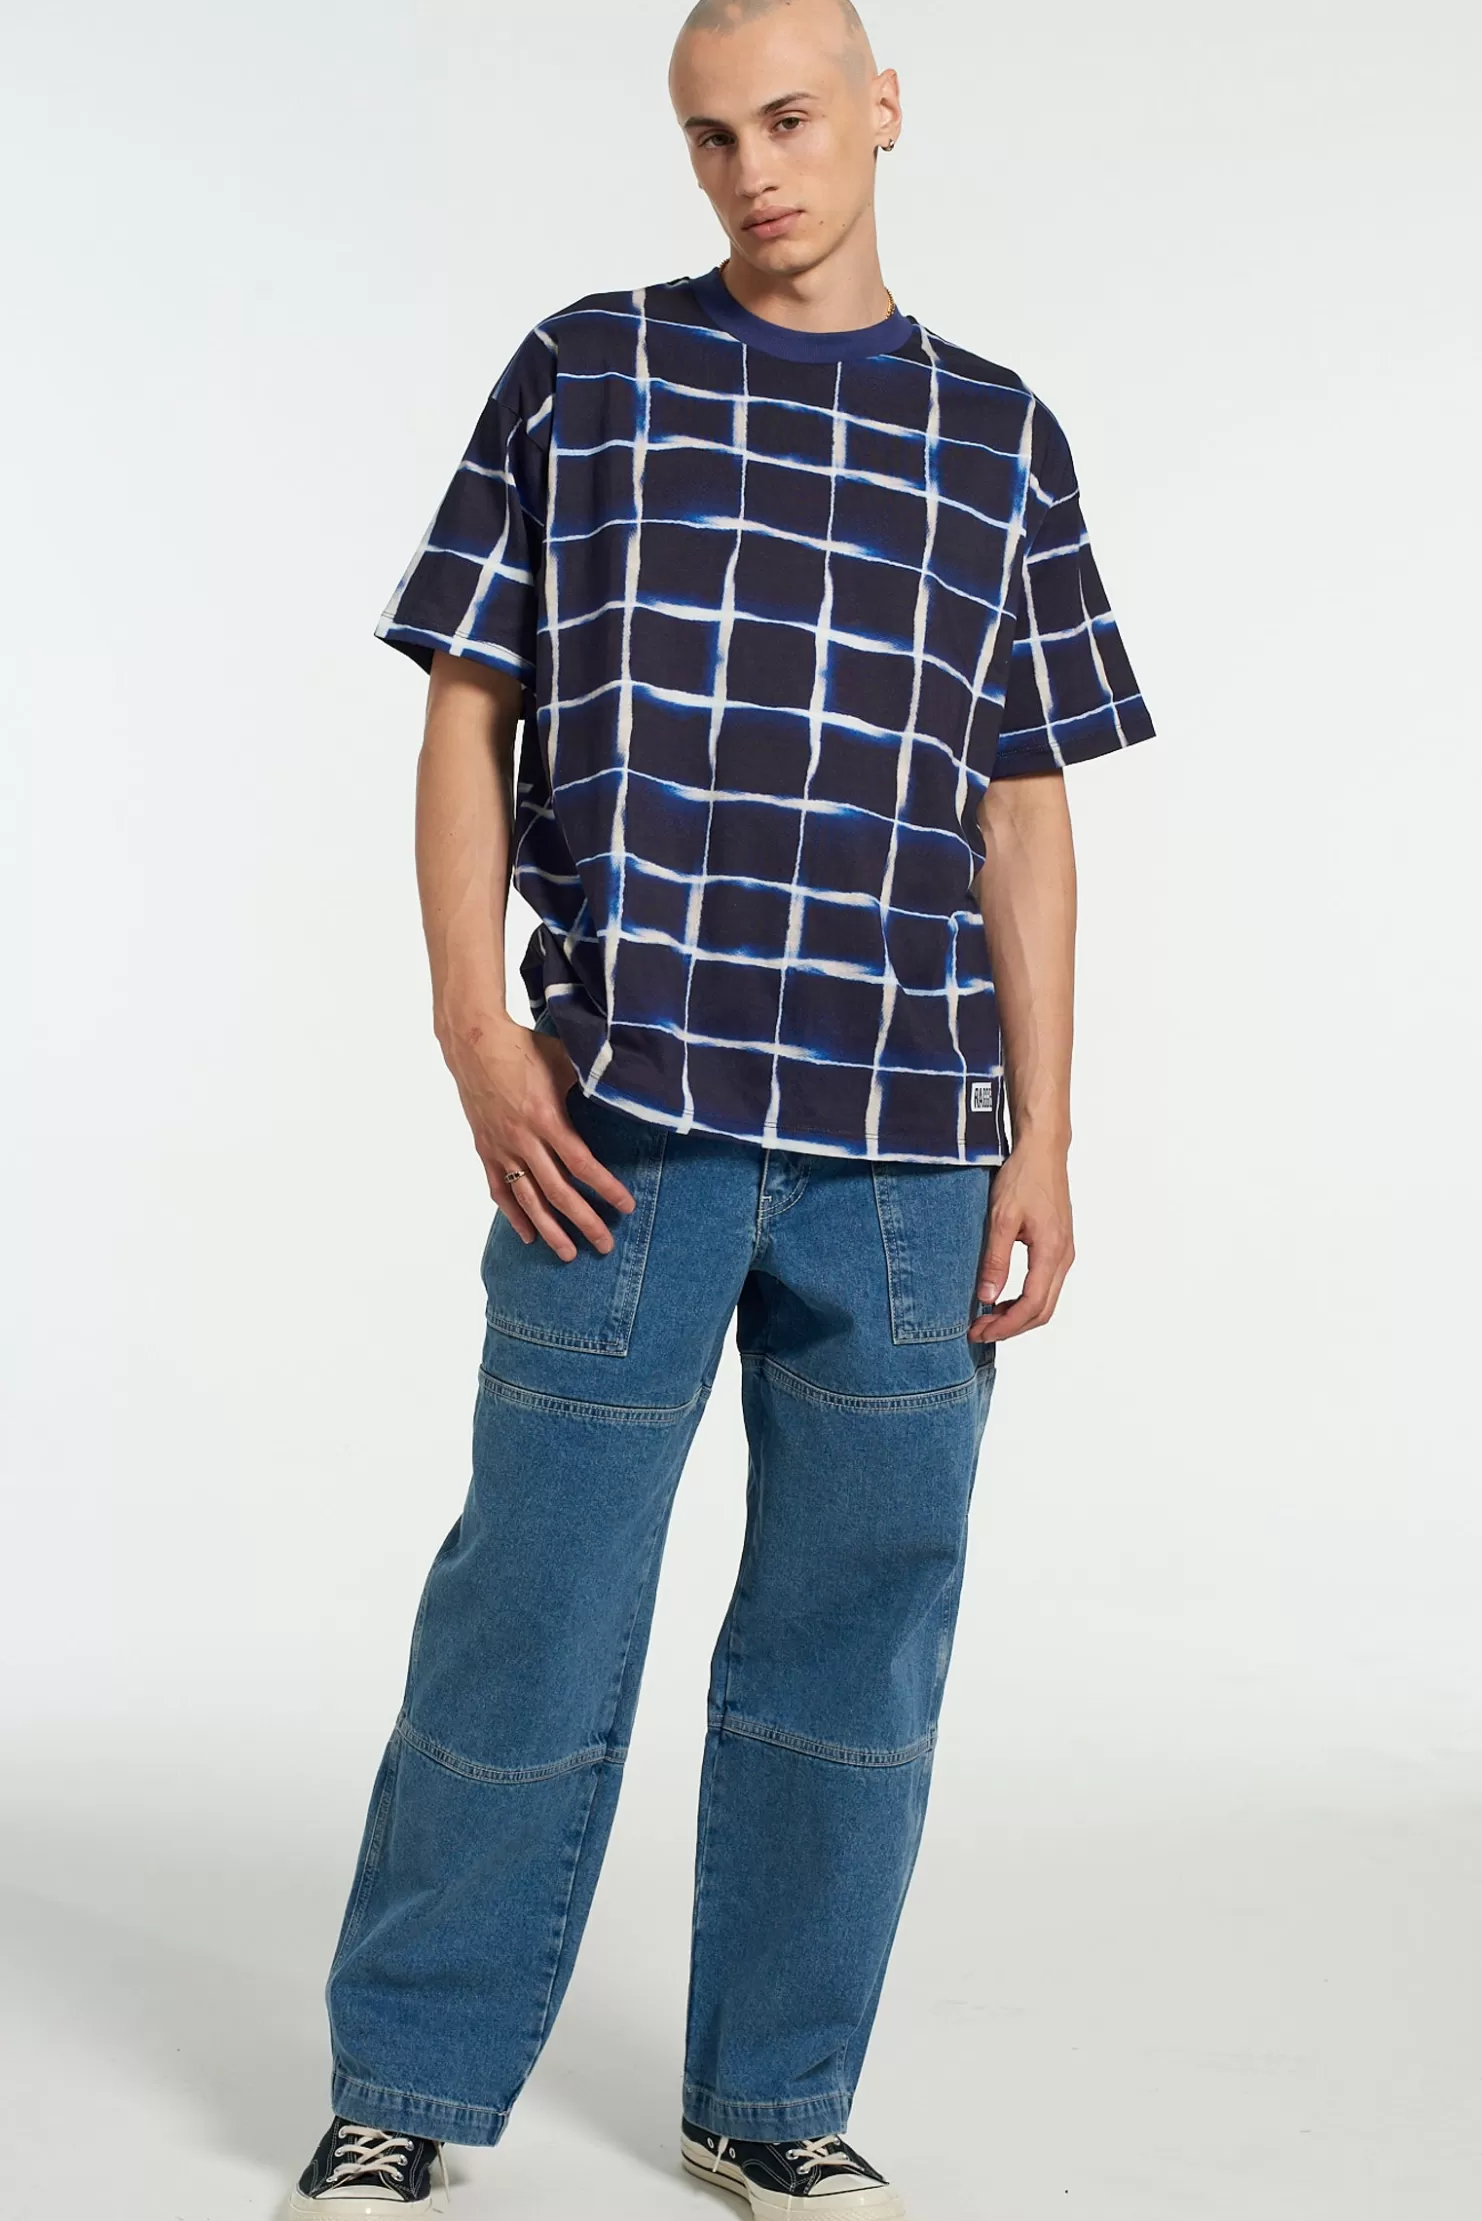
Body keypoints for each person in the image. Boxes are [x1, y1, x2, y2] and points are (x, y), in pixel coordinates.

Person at [287, 0, 1155, 2211]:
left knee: (854, 1650)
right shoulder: (589, 373)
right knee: (532, 1611)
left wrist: (1045, 1135)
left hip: (909, 1146)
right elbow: (466, 704)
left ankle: (773, 2101)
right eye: (708, 137)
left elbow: (1022, 804)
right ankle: (407, 2078)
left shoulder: (997, 435)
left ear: (881, 111)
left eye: (785, 119)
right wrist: (472, 1030)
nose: (752, 170)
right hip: (626, 1124)